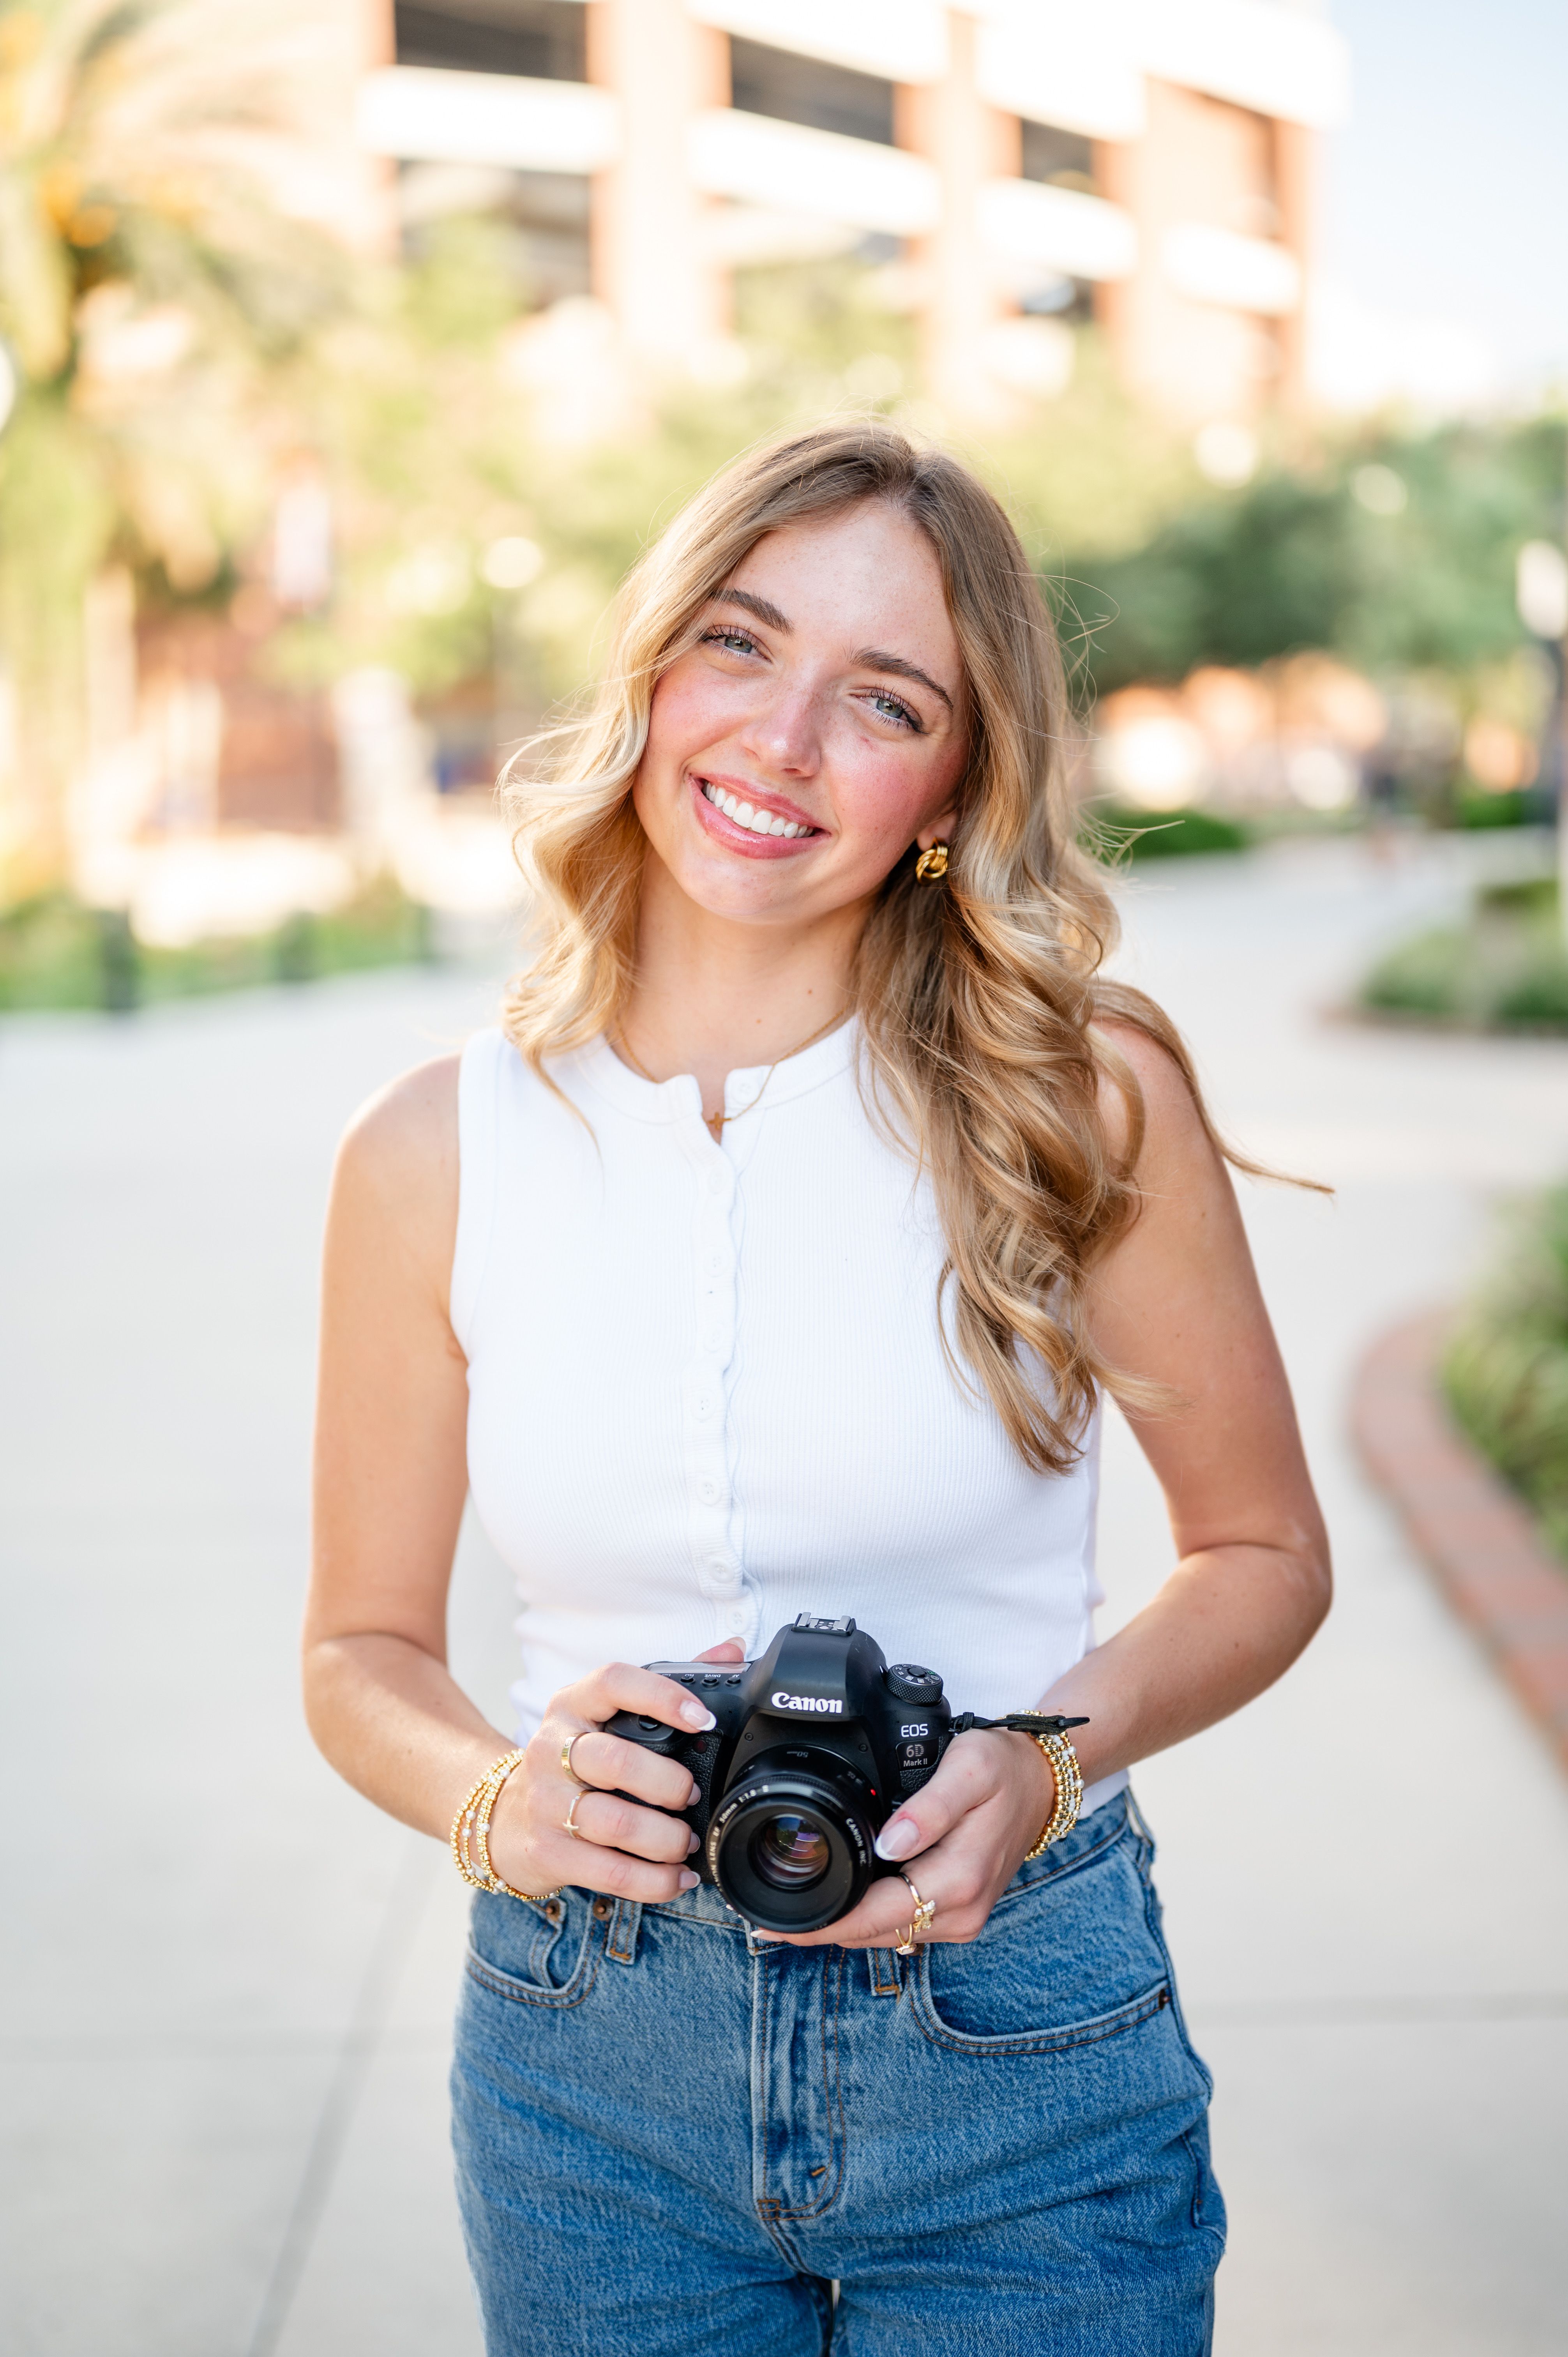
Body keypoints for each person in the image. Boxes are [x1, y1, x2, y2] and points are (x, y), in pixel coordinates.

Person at [304, 422, 1330, 2356]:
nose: (780, 744)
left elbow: (1265, 1551)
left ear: (954, 781)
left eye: (882, 698)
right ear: (653, 669)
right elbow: (357, 1647)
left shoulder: (1078, 1096)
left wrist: (1037, 1768)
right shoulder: (434, 1150)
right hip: (586, 2075)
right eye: (741, 644)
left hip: (1013, 2034)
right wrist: (494, 1803)